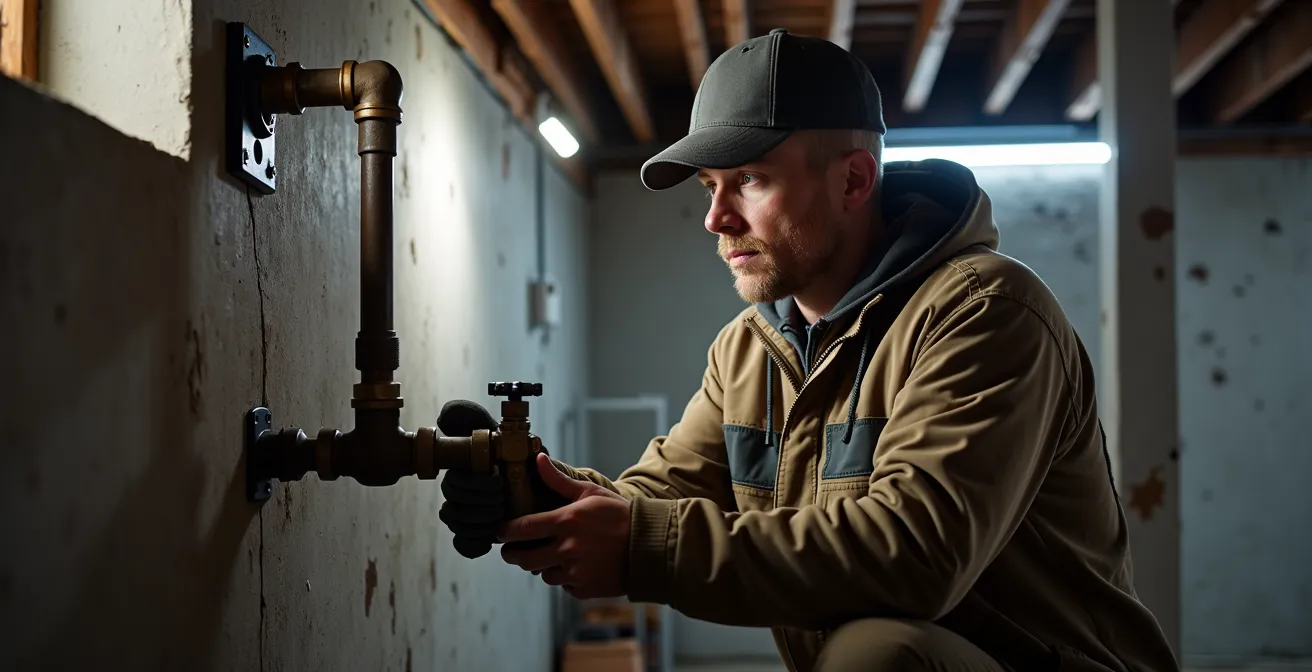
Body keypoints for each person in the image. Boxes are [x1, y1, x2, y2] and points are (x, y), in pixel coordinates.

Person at [436, 28, 1179, 672]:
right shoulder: (750, 350)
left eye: (750, 180)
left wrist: (640, 546)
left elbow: (916, 555)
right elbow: (659, 499)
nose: (716, 219)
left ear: (855, 180)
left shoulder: (984, 312)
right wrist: (539, 492)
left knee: (875, 656)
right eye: (709, 187)